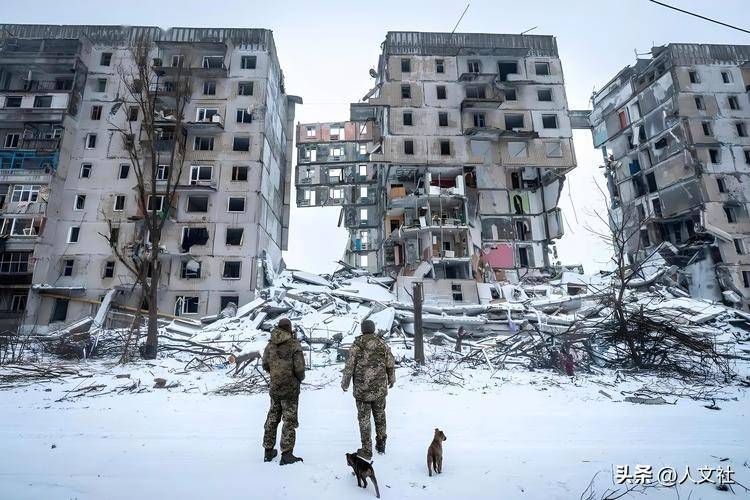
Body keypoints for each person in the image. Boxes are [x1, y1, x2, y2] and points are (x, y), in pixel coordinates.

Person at [341, 319, 396, 460]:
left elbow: (349, 366)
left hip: (362, 391)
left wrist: (345, 383)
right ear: (373, 329)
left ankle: (366, 449)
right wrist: (391, 378)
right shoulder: (382, 343)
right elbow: (390, 363)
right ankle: (381, 443)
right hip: (379, 390)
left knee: (364, 419)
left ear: (362, 329)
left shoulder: (356, 345)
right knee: (380, 416)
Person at [262, 318, 305, 465]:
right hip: (290, 390)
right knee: (289, 420)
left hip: (275, 388)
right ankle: (286, 454)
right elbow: (300, 368)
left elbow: (265, 364)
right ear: (289, 329)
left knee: (272, 418)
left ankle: (268, 451)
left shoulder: (270, 345)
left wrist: (276, 374)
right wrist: (299, 379)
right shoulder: (294, 345)